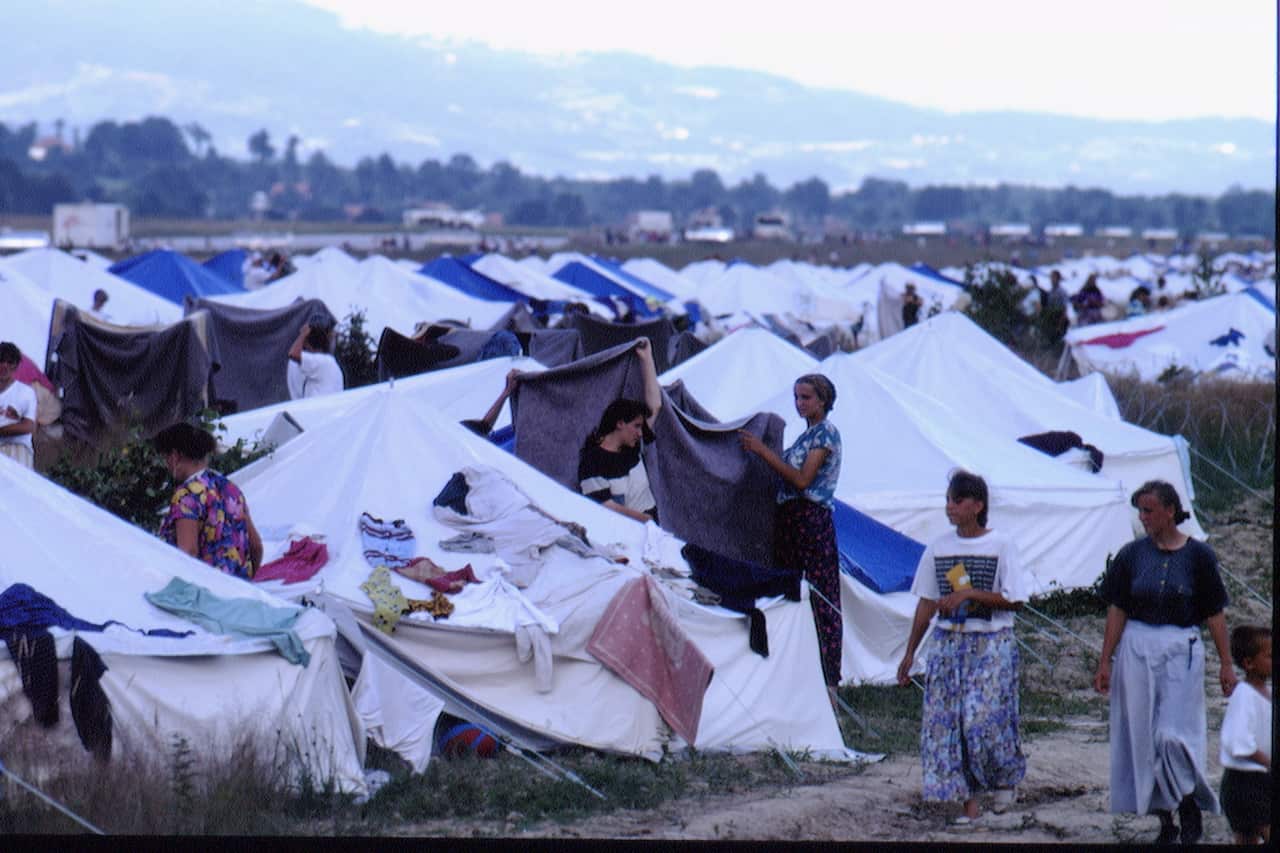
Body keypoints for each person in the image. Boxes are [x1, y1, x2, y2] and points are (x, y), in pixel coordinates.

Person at [1092, 480, 1233, 845]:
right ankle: (1164, 819)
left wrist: (1226, 663)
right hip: (1138, 645)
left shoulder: (1199, 556)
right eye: (1140, 510)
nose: (1143, 517)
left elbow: (1214, 612)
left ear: (1170, 510)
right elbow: (1118, 608)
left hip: (1179, 645)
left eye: (1149, 510)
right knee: (1141, 736)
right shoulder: (1131, 555)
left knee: (1173, 735)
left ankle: (1189, 804)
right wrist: (1105, 660)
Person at [896, 470, 1028, 825]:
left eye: (957, 500)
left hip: (990, 645)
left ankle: (1004, 777)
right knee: (947, 724)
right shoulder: (938, 548)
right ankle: (969, 806)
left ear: (978, 505)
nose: (949, 507)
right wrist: (910, 653)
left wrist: (969, 593)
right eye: (948, 500)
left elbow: (1014, 600)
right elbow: (927, 601)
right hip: (948, 644)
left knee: (982, 719)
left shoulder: (1001, 545)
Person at [740, 373, 843, 705]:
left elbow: (802, 479)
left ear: (823, 400)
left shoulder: (825, 434)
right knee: (791, 592)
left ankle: (828, 679)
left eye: (807, 398)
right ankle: (795, 672)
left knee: (819, 595)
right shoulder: (805, 436)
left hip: (810, 521)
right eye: (797, 398)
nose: (800, 404)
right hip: (790, 521)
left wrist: (762, 452)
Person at [153, 422, 263, 580]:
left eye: (165, 458)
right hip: (239, 591)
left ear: (175, 456)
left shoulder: (187, 496)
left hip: (208, 593)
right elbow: (256, 547)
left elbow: (188, 552)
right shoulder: (232, 490)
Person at [577, 338, 662, 523]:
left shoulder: (632, 448)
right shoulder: (592, 462)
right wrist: (646, 520)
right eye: (636, 426)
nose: (641, 433)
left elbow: (655, 405)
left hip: (650, 530)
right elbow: (605, 507)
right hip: (625, 537)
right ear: (620, 423)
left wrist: (646, 357)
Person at [1217, 625, 1271, 845]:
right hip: (1244, 783)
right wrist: (1268, 761)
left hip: (1261, 779)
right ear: (1249, 663)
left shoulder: (1266, 693)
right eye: (1269, 656)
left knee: (1247, 838)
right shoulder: (1244, 696)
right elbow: (1239, 743)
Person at [0, 342, 38, 469]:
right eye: (1, 360)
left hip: (16, 449)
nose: (4, 365)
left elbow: (29, 426)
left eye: (10, 362)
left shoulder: (25, 392)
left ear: (16, 366)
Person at [287, 321, 344, 399]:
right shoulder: (325, 362)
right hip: (325, 409)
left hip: (305, 409)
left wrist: (303, 335)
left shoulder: (293, 364)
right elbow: (293, 354)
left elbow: (293, 355)